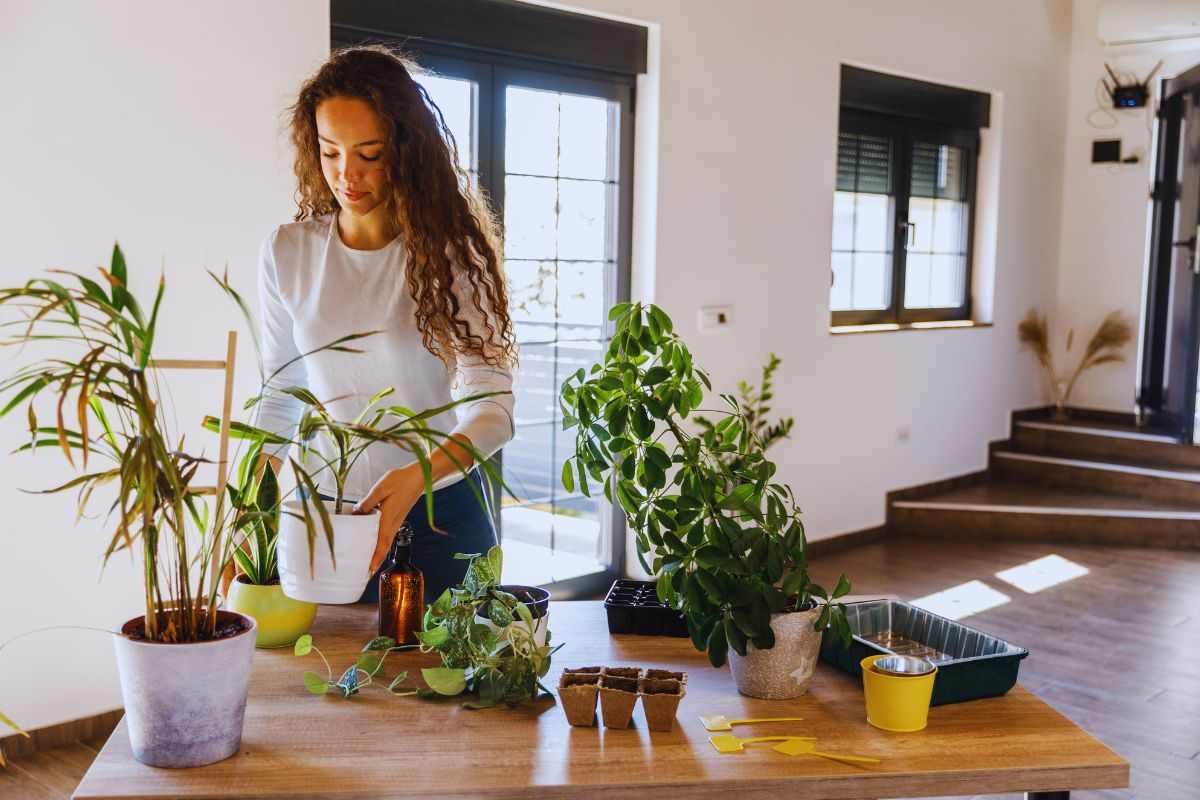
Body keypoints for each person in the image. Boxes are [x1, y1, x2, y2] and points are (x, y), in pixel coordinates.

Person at [255, 45, 517, 603]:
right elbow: (281, 394)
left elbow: (493, 411)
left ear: (405, 150)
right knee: (325, 684)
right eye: (330, 152)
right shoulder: (288, 252)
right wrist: (259, 502)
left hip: (440, 514)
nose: (346, 175)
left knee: (449, 685)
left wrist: (417, 477)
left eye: (369, 154)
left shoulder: (452, 256)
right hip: (325, 517)